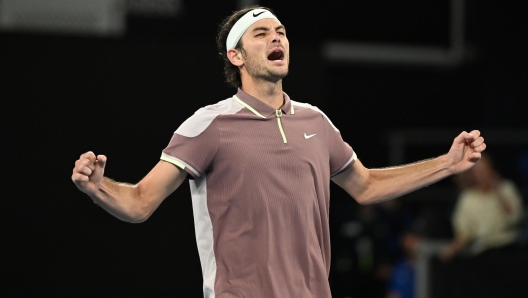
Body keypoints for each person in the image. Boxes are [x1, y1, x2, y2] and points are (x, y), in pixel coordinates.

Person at [71, 6, 486, 298]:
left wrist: (447, 164)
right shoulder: (209, 124)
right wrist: (98, 187)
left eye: (281, 32)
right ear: (237, 56)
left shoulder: (316, 122)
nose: (276, 38)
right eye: (262, 33)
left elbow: (366, 185)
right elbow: (141, 202)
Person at [440, 153, 523, 260]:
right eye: (478, 171)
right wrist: (451, 250)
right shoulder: (468, 198)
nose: (482, 174)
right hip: (483, 250)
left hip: (509, 246)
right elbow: (464, 233)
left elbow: (515, 218)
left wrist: (498, 191)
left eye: (485, 169)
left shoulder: (507, 189)